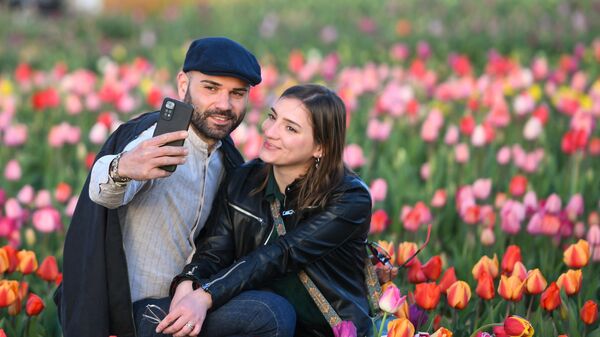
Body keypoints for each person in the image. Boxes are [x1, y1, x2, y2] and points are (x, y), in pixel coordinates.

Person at [55, 37, 296, 337]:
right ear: (183, 85)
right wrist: (124, 167)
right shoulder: (155, 136)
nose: (224, 104)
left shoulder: (228, 158)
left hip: (189, 305)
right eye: (210, 88)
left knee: (274, 313)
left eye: (237, 93)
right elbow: (103, 192)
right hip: (136, 315)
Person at [158, 84, 375, 337]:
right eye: (272, 117)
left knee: (273, 311)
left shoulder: (349, 198)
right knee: (150, 316)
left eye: (290, 128)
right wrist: (189, 283)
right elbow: (214, 252)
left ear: (320, 147)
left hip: (325, 330)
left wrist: (206, 295)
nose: (270, 131)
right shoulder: (243, 181)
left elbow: (283, 253)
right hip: (260, 323)